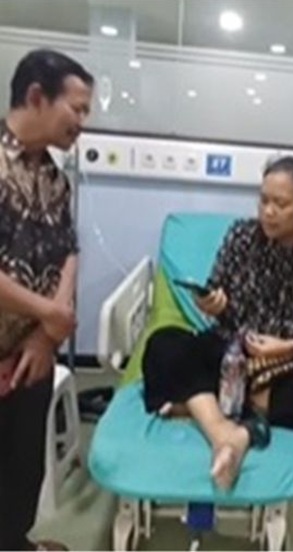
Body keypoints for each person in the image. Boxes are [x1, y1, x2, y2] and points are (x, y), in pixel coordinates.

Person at [141, 156, 293, 490]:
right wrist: (211, 302)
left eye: (280, 204)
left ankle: (211, 411)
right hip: (230, 352)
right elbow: (217, 289)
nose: (268, 211)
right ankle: (226, 433)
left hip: (287, 366)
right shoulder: (241, 235)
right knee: (164, 344)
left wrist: (291, 346)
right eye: (263, 200)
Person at [0, 49, 93, 552]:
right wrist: (48, 313)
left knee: (21, 469)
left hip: (30, 354)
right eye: (76, 109)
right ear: (36, 96)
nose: (82, 122)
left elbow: (68, 250)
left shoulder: (55, 178)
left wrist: (45, 334)